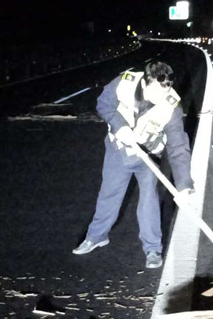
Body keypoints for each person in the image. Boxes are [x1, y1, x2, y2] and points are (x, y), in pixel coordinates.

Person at [73, 60, 194, 269]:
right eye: (155, 93)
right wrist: (119, 126)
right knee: (109, 193)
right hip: (118, 148)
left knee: (148, 199)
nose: (160, 99)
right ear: (145, 83)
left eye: (165, 93)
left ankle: (153, 249)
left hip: (148, 156)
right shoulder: (125, 83)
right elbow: (104, 103)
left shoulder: (172, 106)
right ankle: (96, 236)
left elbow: (178, 147)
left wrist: (184, 185)